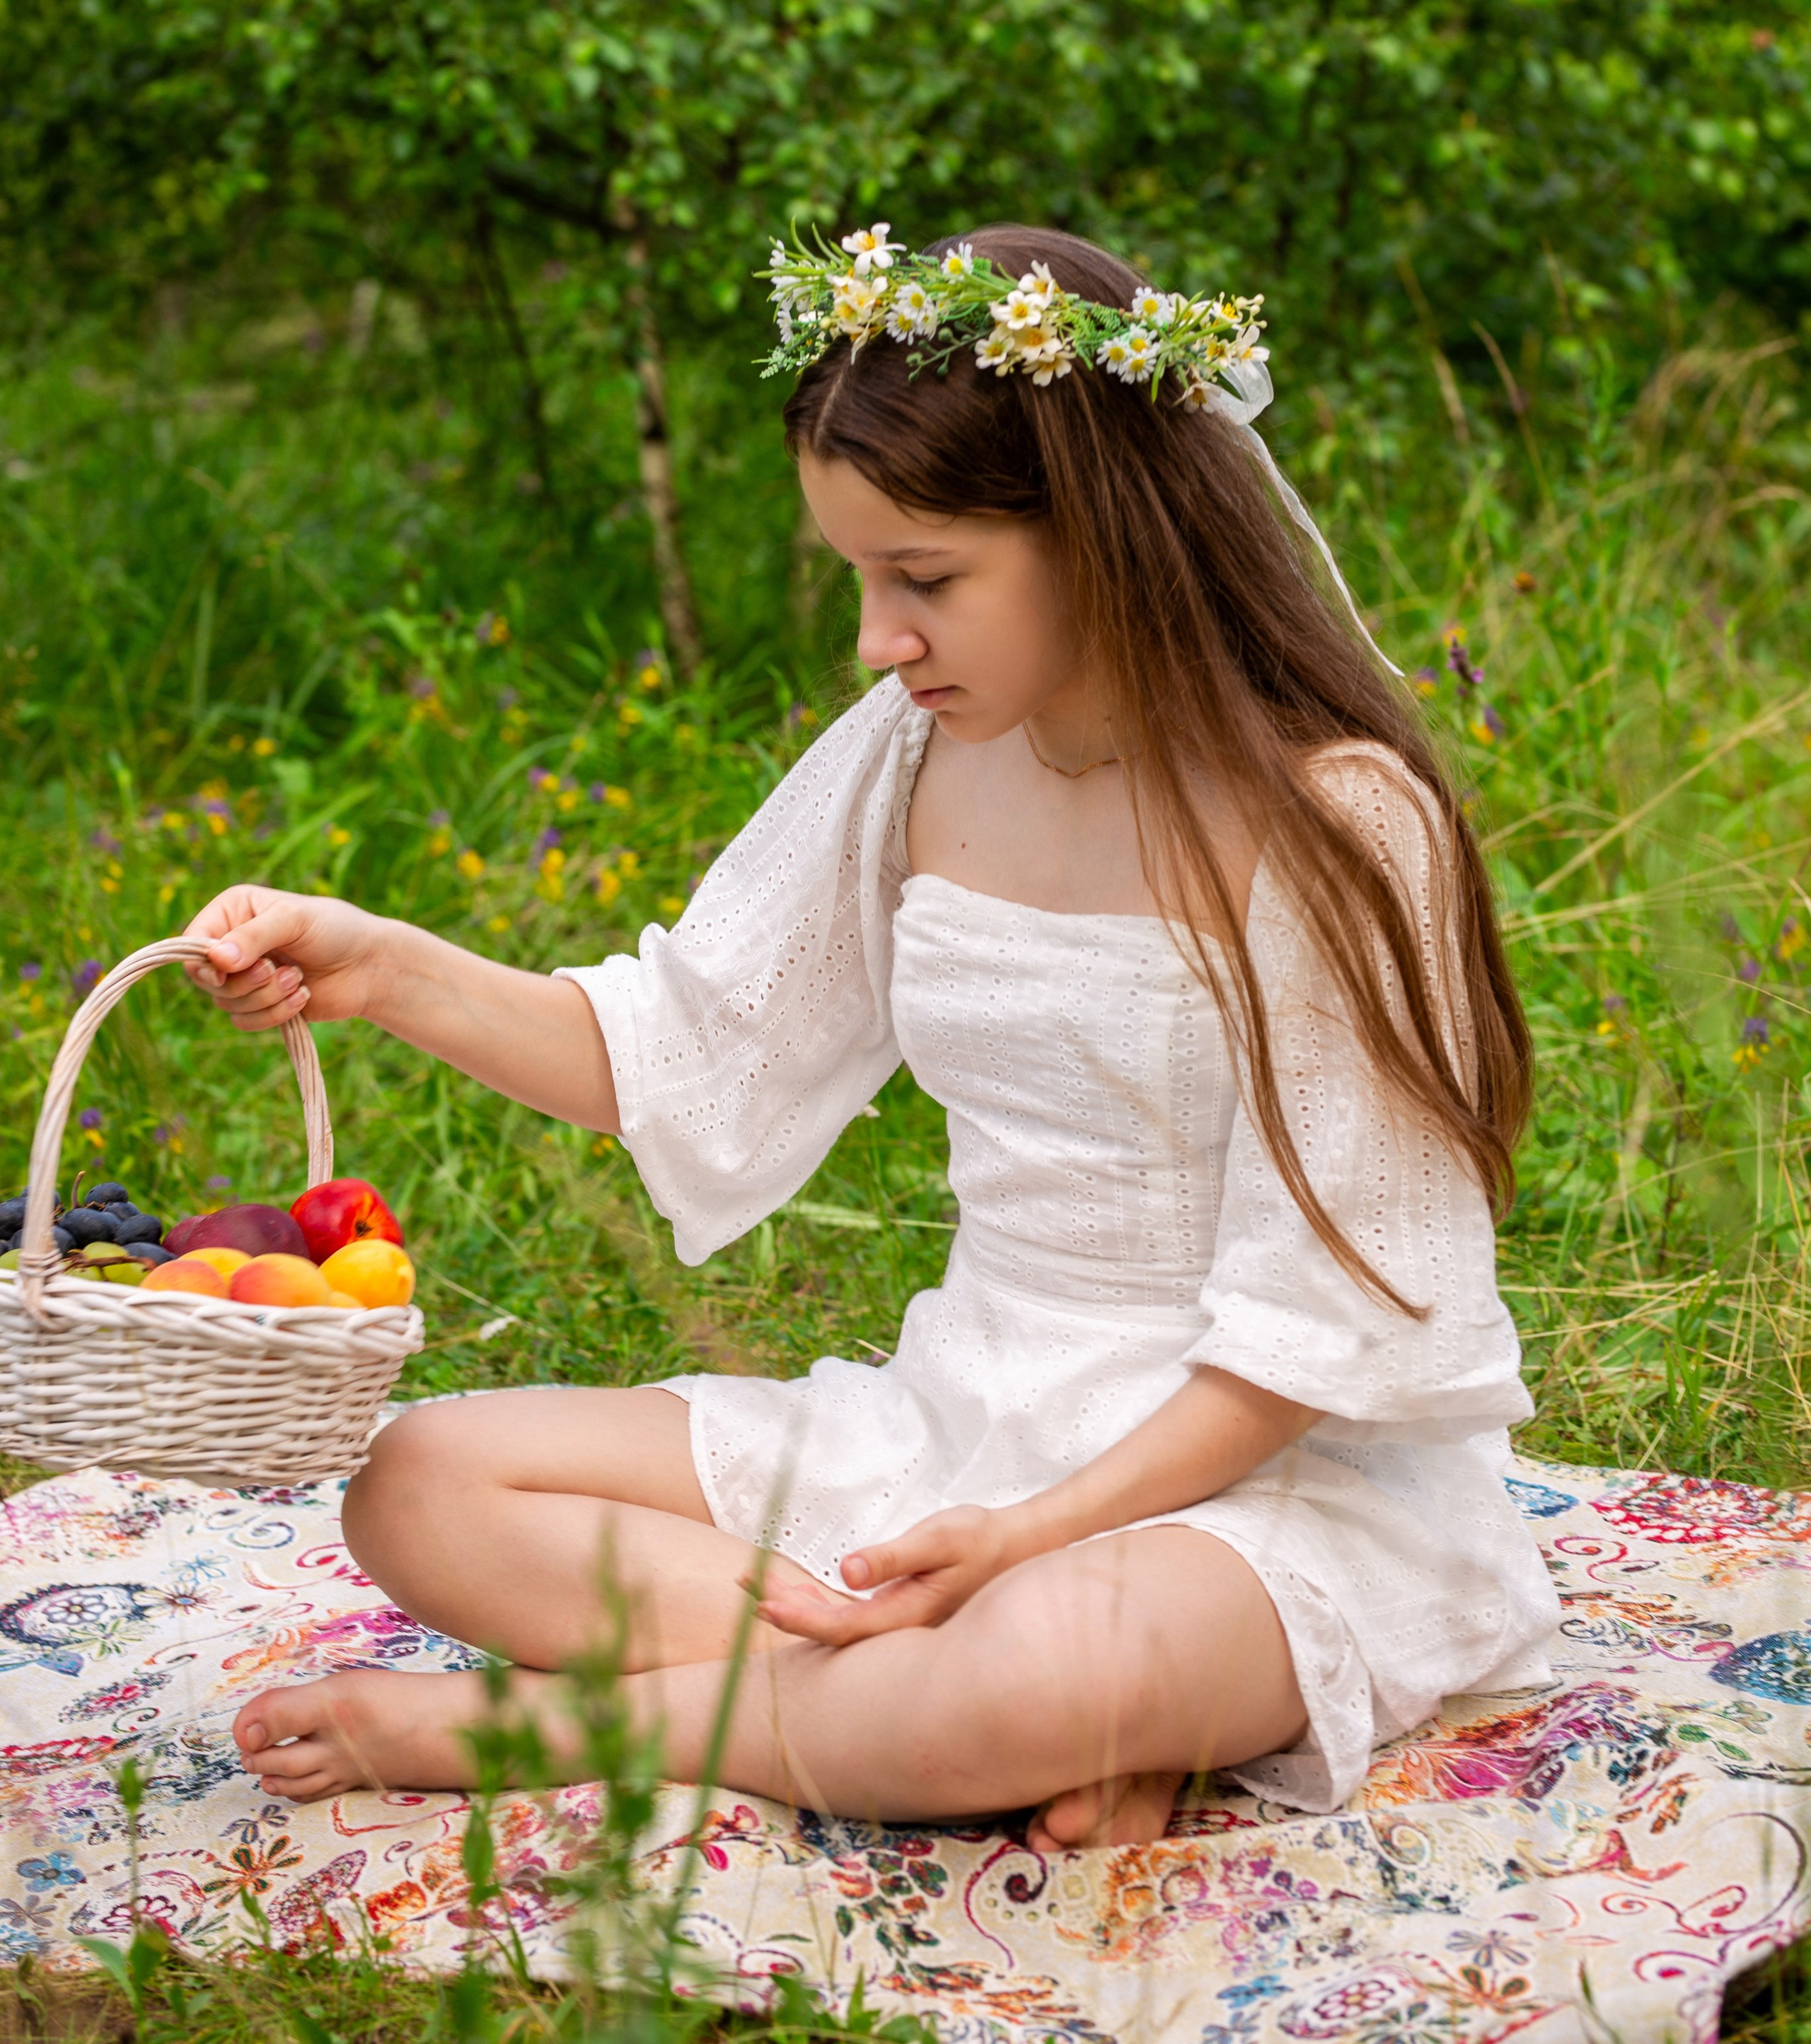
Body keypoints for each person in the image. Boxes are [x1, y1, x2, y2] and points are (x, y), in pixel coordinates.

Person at [188, 224, 1560, 1851]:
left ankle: (574, 1726)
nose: (876, 638)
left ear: (1107, 534)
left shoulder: (1333, 821)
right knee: (415, 1483)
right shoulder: (907, 759)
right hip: (959, 1417)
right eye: (857, 576)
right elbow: (691, 1052)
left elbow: (1312, 1332)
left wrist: (1032, 1538)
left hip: (1248, 1481)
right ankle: (951, 1717)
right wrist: (383, 968)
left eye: (924, 580)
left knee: (1045, 1658)